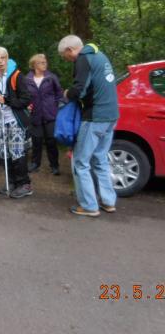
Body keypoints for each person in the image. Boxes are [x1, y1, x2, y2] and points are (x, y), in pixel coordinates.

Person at [58, 35, 119, 217]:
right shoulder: (100, 56)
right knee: (100, 159)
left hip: (95, 117)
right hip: (111, 116)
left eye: (64, 56)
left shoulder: (83, 58)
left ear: (70, 50)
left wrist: (67, 93)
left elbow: (79, 90)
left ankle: (89, 205)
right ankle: (108, 202)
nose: (66, 59)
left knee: (80, 162)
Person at [0, 46, 33, 198]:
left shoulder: (16, 76)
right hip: (0, 121)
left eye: (3, 57)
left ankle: (24, 184)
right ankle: (11, 182)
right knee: (4, 153)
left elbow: (26, 99)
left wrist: (8, 101)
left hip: (14, 121)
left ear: (7, 58)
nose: (1, 61)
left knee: (17, 152)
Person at [25, 54, 63, 175]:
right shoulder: (27, 79)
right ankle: (35, 164)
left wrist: (56, 107)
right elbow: (25, 96)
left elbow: (59, 94)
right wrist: (27, 104)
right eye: (41, 62)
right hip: (35, 115)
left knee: (51, 141)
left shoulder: (51, 77)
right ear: (34, 65)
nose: (45, 64)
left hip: (50, 115)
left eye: (45, 62)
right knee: (36, 141)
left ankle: (55, 166)